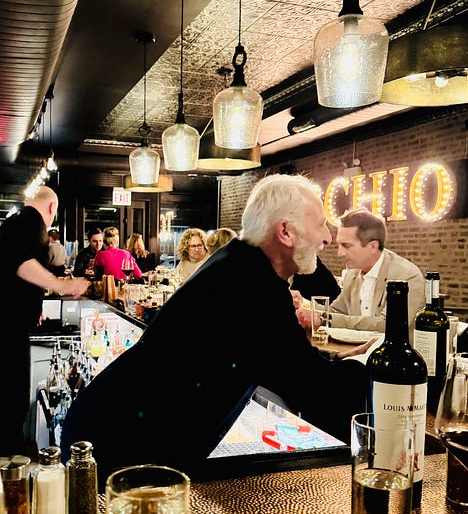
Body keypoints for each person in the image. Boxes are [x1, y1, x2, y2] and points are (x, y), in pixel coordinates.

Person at [61, 174, 371, 488]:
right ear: (285, 231)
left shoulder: (239, 263)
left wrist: (335, 361)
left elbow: (281, 357)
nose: (327, 237)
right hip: (118, 444)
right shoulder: (253, 285)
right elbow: (310, 388)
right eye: (320, 224)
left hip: (112, 428)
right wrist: (374, 372)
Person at [0, 185, 89, 456]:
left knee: (12, 398)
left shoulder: (18, 222)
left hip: (11, 320)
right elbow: (21, 262)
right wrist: (60, 285)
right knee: (12, 399)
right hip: (8, 326)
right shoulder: (32, 223)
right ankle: (9, 465)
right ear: (52, 208)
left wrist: (33, 303)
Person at [297, 207, 425, 334]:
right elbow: (336, 312)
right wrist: (300, 304)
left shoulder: (407, 276)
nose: (340, 253)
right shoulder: (352, 274)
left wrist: (324, 319)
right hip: (353, 347)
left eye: (347, 246)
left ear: (373, 246)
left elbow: (388, 325)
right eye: (339, 245)